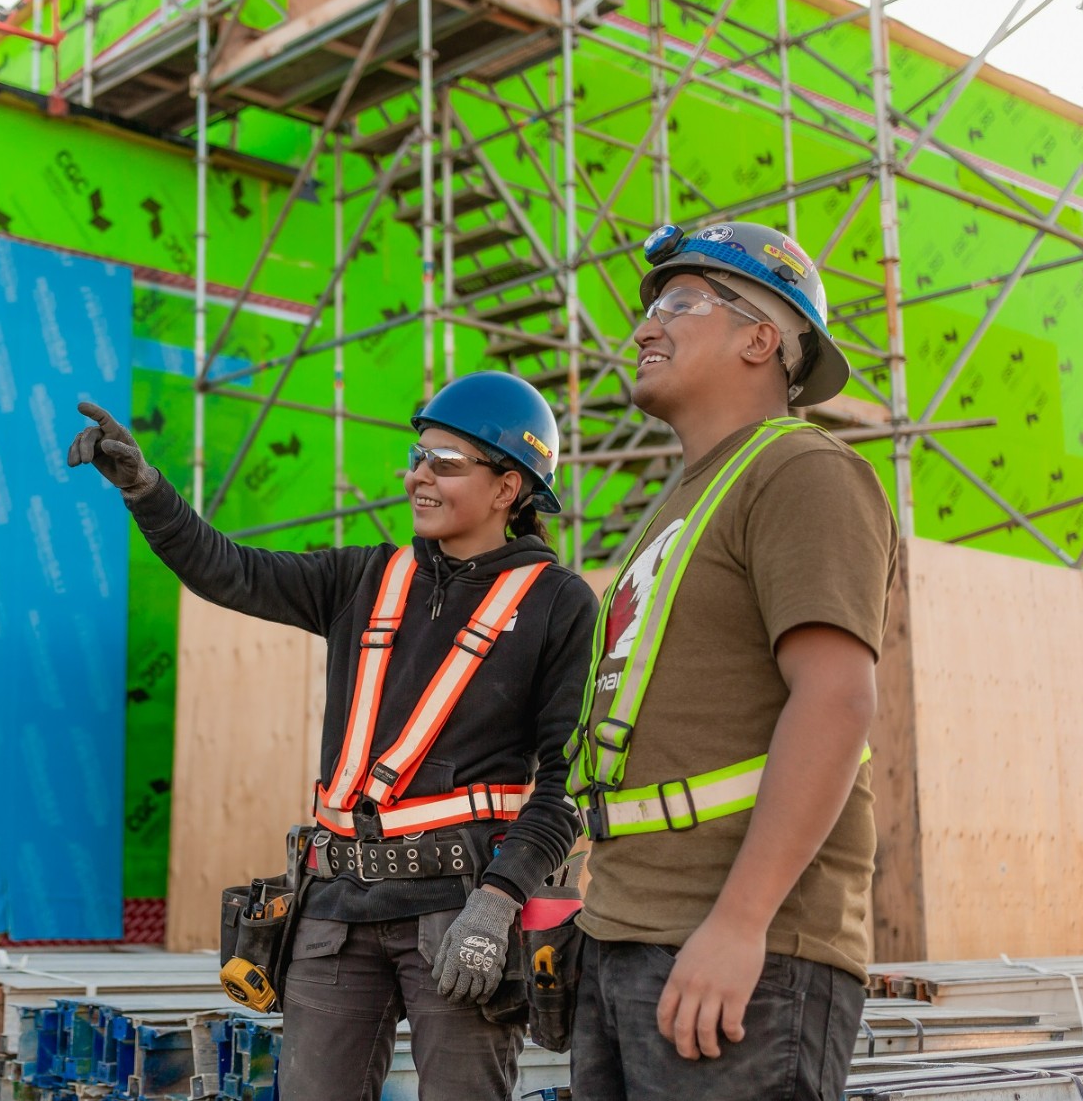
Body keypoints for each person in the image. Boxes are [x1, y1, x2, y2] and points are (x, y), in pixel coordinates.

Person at [69, 371, 598, 1100]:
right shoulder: (364, 577)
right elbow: (229, 569)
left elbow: (567, 781)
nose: (419, 476)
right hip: (334, 911)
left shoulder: (557, 604)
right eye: (418, 457)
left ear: (509, 486)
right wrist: (147, 492)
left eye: (446, 463)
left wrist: (498, 903)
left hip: (459, 916)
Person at [564, 220, 898, 1100]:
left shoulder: (801, 472)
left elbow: (835, 702)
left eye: (679, 302)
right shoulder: (682, 499)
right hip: (629, 933)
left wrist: (740, 922)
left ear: (762, 337)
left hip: (741, 951)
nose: (643, 327)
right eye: (649, 307)